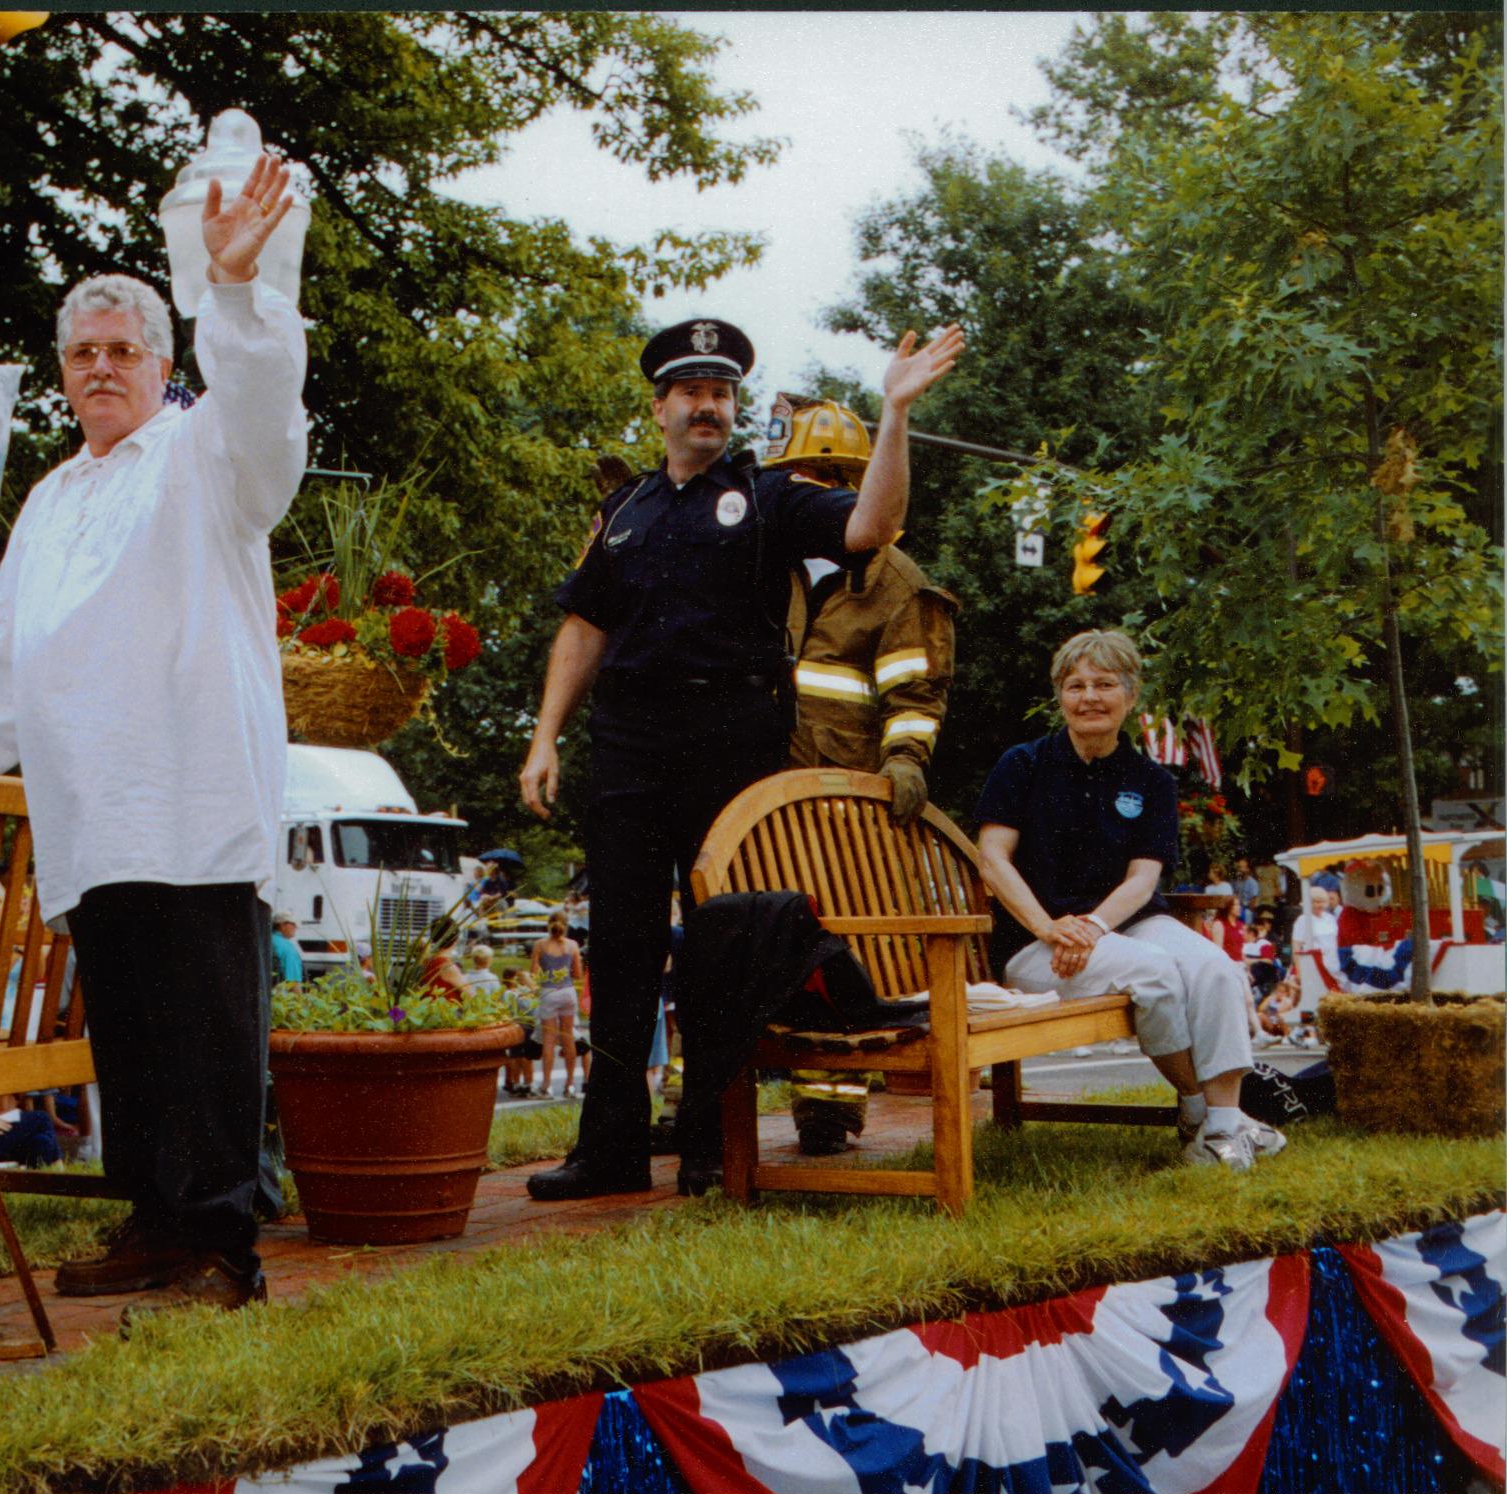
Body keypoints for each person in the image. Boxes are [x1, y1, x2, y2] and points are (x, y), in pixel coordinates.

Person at [517, 315, 963, 1198]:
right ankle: (608, 1148)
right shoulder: (624, 512)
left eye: (721, 393)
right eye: (692, 392)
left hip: (731, 746)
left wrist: (897, 412)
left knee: (725, 943)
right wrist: (544, 736)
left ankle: (711, 1147)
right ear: (660, 408)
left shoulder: (766, 498)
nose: (708, 406)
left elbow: (874, 525)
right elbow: (584, 626)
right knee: (623, 945)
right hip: (630, 750)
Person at [0, 152, 305, 1315]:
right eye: (82, 355)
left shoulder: (206, 447)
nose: (101, 369)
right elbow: (0, 650)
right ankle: (156, 1219)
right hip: (90, 804)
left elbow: (267, 406)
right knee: (127, 1026)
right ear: (62, 378)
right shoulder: (51, 495)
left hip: (192, 786)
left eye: (123, 349)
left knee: (207, 1023)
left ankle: (224, 1247)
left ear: (165, 365)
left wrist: (229, 292)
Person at [972, 629, 1285, 1171]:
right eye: (1075, 685)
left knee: (1217, 970)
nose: (1089, 697)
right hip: (1034, 941)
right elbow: (992, 859)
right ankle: (1202, 1118)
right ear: (1060, 696)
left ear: (1131, 695)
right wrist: (1050, 928)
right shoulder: (1022, 765)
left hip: (1122, 923)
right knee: (1155, 974)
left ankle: (1225, 1125)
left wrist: (1091, 926)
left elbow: (1143, 880)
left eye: (1104, 684)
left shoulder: (1151, 780)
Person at [765, 395, 958, 823]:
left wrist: (905, 760)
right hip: (759, 795)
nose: (785, 492)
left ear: (841, 481)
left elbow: (916, 696)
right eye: (779, 479)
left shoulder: (896, 584)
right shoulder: (765, 561)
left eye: (799, 478)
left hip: (843, 801)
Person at [530, 913, 584, 1099]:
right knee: (568, 1037)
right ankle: (569, 1086)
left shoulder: (540, 945)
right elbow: (577, 973)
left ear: (548, 925)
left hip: (549, 992)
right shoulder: (573, 945)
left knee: (549, 1039)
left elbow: (534, 972)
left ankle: (547, 1086)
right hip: (568, 992)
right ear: (566, 926)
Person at [269, 910, 305, 985]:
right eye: (293, 924)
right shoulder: (287, 948)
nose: (296, 927)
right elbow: (293, 983)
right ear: (282, 925)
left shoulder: (267, 940)